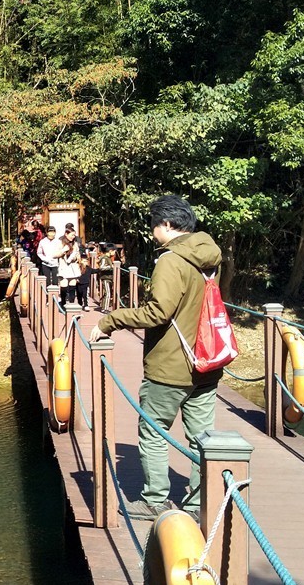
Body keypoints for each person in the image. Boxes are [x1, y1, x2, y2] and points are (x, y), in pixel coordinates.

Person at [89, 195, 223, 520]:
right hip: (206, 361)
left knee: (153, 430)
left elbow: (159, 311)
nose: (152, 234)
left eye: (153, 227)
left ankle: (155, 500)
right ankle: (196, 505)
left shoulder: (171, 260)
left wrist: (110, 321)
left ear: (166, 224)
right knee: (201, 438)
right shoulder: (210, 258)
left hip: (170, 367)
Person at [57, 236, 81, 303]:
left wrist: (76, 257)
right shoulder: (61, 244)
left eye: (74, 235)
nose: (73, 237)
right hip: (63, 268)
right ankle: (63, 303)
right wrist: (63, 250)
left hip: (73, 268)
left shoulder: (75, 244)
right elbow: (55, 254)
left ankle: (71, 304)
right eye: (72, 235)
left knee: (72, 287)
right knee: (63, 287)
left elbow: (78, 256)